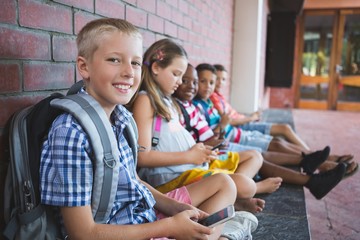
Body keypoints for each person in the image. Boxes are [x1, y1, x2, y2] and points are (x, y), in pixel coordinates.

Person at [39, 18, 240, 240]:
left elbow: (134, 180)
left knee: (225, 184)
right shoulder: (70, 132)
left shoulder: (121, 117)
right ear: (84, 67)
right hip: (118, 231)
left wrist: (175, 208)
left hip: (143, 215)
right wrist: (169, 228)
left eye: (135, 63)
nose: (129, 72)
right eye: (114, 60)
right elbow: (83, 233)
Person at [173, 63, 348, 199]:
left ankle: (311, 163)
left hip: (221, 145)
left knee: (266, 151)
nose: (196, 86)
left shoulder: (201, 104)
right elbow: (204, 140)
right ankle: (312, 169)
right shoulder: (189, 107)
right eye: (198, 81)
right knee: (262, 156)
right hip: (215, 150)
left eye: (197, 81)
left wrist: (221, 131)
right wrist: (222, 128)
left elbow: (212, 134)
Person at [130, 38, 265, 213]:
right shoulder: (145, 100)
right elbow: (143, 157)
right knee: (245, 186)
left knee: (249, 172)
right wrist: (190, 156)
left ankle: (228, 202)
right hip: (170, 178)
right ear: (156, 68)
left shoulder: (165, 100)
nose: (179, 81)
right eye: (176, 74)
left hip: (189, 166)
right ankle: (226, 205)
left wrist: (197, 150)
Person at [211, 64, 311, 150]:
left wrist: (251, 116)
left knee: (282, 135)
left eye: (223, 79)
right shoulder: (213, 97)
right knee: (284, 130)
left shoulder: (219, 96)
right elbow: (229, 121)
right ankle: (311, 154)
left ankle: (311, 154)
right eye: (217, 79)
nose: (220, 82)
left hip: (244, 121)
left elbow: (232, 115)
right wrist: (251, 118)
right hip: (241, 126)